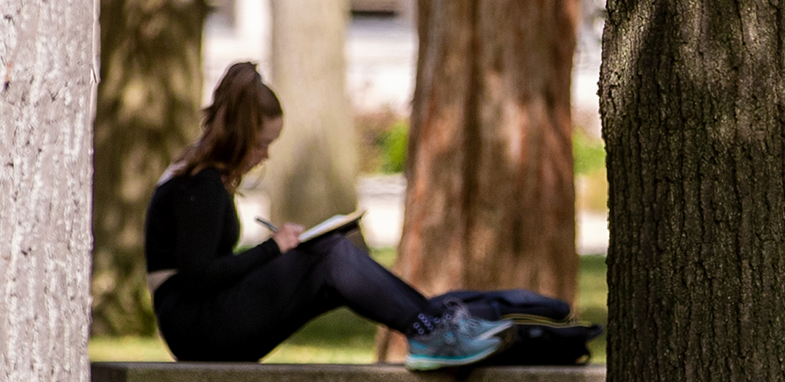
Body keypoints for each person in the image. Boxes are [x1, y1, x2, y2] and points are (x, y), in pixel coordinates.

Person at [144, 61, 511, 369]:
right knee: (332, 255)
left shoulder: (201, 176)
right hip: (196, 330)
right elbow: (199, 277)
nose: (264, 156)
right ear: (240, 136)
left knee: (336, 269)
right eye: (262, 144)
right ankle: (435, 330)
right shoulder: (197, 184)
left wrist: (284, 251)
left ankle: (439, 325)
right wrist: (274, 249)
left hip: (202, 322)